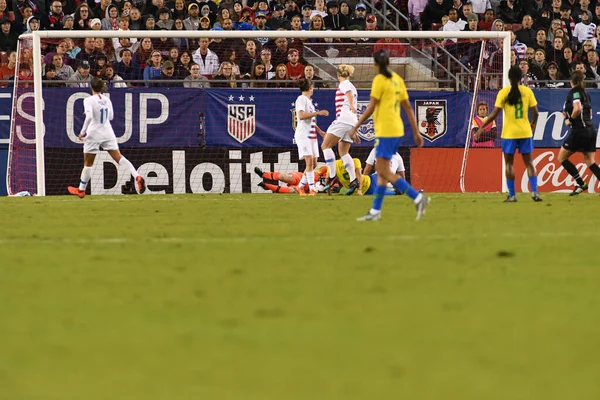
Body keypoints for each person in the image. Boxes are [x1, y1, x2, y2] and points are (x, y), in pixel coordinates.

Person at [349, 50, 428, 221]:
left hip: (385, 130)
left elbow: (370, 107)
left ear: (375, 64)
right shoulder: (398, 80)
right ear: (389, 63)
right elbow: (408, 107)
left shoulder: (379, 80)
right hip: (397, 129)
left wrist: (355, 126)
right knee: (383, 172)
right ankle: (375, 211)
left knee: (383, 170)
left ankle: (418, 198)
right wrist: (415, 132)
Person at [68, 77, 146, 198]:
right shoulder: (106, 99)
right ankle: (137, 176)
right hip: (108, 131)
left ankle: (81, 189)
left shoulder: (88, 100)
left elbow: (89, 117)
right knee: (118, 157)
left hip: (94, 132)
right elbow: (110, 117)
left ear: (91, 87)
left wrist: (82, 132)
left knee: (88, 163)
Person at [475, 65, 542, 202]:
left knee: (509, 164)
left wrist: (481, 127)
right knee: (529, 163)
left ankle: (512, 195)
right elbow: (535, 112)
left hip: (509, 133)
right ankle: (535, 192)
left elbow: (494, 114)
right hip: (525, 131)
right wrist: (533, 124)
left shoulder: (503, 93)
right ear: (521, 78)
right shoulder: (527, 91)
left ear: (509, 78)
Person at [559, 71, 600, 195]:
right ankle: (581, 184)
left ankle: (581, 183)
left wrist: (569, 120)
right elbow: (589, 111)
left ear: (571, 81)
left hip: (580, 131)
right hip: (591, 130)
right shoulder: (585, 93)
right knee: (590, 161)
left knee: (561, 157)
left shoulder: (575, 92)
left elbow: (577, 108)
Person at [321, 64, 360, 195]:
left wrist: (350, 105)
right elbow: (353, 101)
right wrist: (355, 129)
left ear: (338, 75)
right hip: (351, 122)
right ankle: (354, 180)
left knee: (325, 146)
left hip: (343, 119)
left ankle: (332, 176)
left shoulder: (344, 84)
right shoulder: (354, 87)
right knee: (343, 152)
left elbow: (349, 95)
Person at [294, 78, 328, 196]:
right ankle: (312, 189)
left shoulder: (309, 101)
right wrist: (318, 113)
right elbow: (302, 116)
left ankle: (300, 187)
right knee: (309, 162)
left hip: (312, 135)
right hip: (303, 135)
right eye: (312, 87)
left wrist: (319, 131)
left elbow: (311, 119)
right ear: (309, 88)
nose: (313, 89)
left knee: (313, 164)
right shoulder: (301, 99)